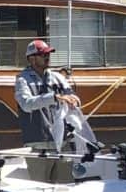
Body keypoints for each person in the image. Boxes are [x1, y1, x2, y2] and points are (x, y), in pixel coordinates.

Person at [15, 39, 83, 182]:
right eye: (43, 54)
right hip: (38, 148)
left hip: (63, 146)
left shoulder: (58, 77)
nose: (47, 57)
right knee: (39, 191)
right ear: (32, 59)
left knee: (66, 190)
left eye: (48, 54)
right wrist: (54, 97)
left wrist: (75, 101)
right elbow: (26, 104)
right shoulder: (22, 80)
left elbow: (72, 96)